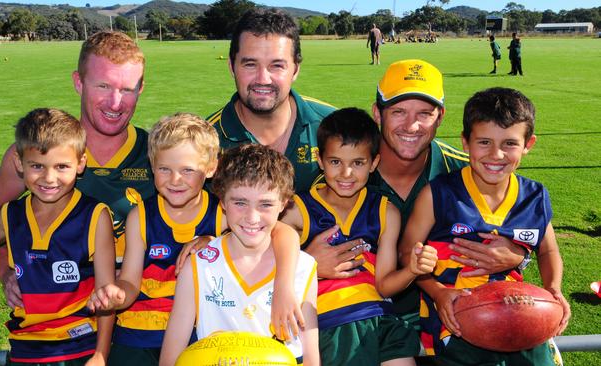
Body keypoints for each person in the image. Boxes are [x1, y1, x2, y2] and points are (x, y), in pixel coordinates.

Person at [87, 113, 303, 365]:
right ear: (152, 166)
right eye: (164, 169)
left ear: (211, 168)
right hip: (138, 332)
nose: (175, 180)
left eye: (187, 170)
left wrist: (284, 288)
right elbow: (130, 282)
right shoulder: (141, 216)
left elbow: (284, 232)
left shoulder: (223, 212)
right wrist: (117, 294)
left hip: (197, 333)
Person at [0, 31, 155, 308]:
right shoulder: (42, 149)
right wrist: (5, 270)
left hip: (141, 319)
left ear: (140, 89)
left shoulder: (157, 154)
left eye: (127, 89)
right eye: (103, 86)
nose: (115, 103)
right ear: (79, 82)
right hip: (60, 323)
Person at [400, 87, 570, 364]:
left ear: (529, 144)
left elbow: (548, 251)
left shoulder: (534, 197)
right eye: (484, 142)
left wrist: (553, 289)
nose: (497, 155)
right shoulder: (439, 193)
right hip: (454, 320)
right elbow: (407, 252)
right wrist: (438, 292)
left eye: (510, 144)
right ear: (465, 142)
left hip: (518, 312)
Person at [367, 59, 529, 325]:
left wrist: (518, 256)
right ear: (377, 113)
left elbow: (528, 230)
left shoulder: (468, 171)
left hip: (450, 318)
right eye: (398, 111)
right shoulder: (347, 174)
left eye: (424, 114)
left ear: (440, 116)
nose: (411, 126)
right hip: (367, 318)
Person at [0, 109, 116, 365]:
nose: (49, 178)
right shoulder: (11, 214)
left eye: (62, 166)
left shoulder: (95, 216)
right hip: (25, 347)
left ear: (81, 163)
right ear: (19, 163)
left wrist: (101, 354)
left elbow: (106, 292)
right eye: (37, 166)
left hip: (80, 348)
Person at [281, 107, 438, 366]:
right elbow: (269, 268)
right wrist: (310, 263)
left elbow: (384, 285)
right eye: (335, 162)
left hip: (382, 317)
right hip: (332, 321)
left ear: (374, 163)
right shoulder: (296, 210)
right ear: (320, 160)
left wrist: (412, 269)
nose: (346, 174)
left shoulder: (386, 211)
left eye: (358, 163)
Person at [159, 144, 320, 366]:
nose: (252, 217)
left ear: (283, 204)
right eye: (240, 202)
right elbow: (170, 358)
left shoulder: (303, 268)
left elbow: (311, 357)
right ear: (223, 201)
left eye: (265, 204)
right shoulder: (199, 265)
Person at [207, 8, 336, 193]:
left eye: (277, 65)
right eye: (250, 64)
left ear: (296, 69)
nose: (263, 79)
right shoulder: (205, 141)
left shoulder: (336, 124)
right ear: (231, 66)